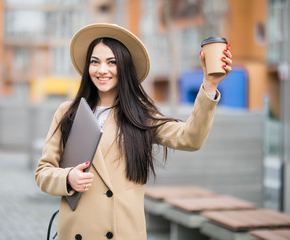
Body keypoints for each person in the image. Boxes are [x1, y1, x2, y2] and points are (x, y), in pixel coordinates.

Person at [35, 23, 232, 240]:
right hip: (75, 232)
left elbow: (190, 139)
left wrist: (210, 85)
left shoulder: (140, 115)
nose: (102, 70)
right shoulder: (68, 112)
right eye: (95, 62)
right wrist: (67, 177)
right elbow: (43, 172)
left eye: (112, 62)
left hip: (123, 233)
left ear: (125, 66)